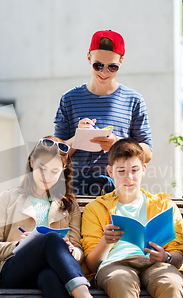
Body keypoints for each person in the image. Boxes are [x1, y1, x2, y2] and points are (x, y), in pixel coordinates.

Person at [0, 136, 129, 298]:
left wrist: (70, 250)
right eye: (42, 168)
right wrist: (16, 245)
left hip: (55, 272)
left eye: (54, 171)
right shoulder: (9, 198)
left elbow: (78, 252)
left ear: (63, 171)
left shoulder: (69, 205)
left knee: (51, 275)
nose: (46, 176)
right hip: (16, 270)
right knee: (50, 239)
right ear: (32, 162)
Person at [81, 138, 183, 298]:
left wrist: (165, 257)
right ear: (110, 172)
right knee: (120, 282)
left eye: (134, 170)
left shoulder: (163, 205)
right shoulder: (96, 209)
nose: (128, 178)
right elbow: (91, 264)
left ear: (143, 169)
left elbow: (177, 254)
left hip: (156, 263)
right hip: (115, 265)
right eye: (121, 172)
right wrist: (105, 243)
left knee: (173, 283)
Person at [54, 30, 153, 196]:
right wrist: (77, 138)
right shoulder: (69, 99)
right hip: (75, 195)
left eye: (112, 67)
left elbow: (147, 153)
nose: (104, 72)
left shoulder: (134, 100)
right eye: (98, 65)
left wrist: (118, 144)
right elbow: (56, 156)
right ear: (88, 58)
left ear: (121, 62)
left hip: (119, 195)